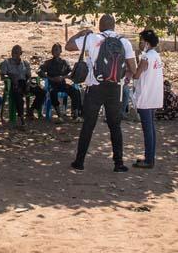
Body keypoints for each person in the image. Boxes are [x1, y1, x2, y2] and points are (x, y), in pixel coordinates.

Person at [67, 14, 138, 173]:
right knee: (115, 126)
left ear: (100, 26)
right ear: (114, 26)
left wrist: (81, 33)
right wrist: (126, 74)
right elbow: (133, 68)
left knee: (88, 125)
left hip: (95, 88)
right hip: (114, 89)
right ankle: (118, 163)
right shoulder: (124, 42)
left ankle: (79, 162)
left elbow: (68, 46)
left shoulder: (92, 39)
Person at [131, 29, 164, 169]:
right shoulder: (156, 55)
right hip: (153, 96)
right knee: (151, 127)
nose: (139, 43)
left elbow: (137, 75)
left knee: (147, 129)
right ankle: (149, 157)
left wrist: (129, 69)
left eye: (141, 40)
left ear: (146, 42)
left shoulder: (146, 57)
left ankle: (149, 160)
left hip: (146, 97)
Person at [39, 43, 82, 120]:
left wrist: (63, 77)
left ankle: (75, 113)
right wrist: (51, 78)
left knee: (75, 91)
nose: (55, 51)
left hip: (62, 84)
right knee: (52, 93)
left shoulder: (64, 62)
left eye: (56, 49)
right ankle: (59, 115)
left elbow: (71, 73)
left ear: (60, 51)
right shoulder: (48, 63)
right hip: (52, 85)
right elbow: (39, 71)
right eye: (53, 50)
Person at [0, 45, 31, 128]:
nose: (15, 54)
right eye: (13, 52)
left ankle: (31, 110)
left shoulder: (25, 63)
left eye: (17, 52)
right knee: (18, 94)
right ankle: (21, 118)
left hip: (24, 82)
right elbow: (2, 76)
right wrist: (10, 76)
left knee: (41, 91)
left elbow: (29, 76)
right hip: (14, 84)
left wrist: (28, 82)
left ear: (21, 53)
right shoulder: (6, 62)